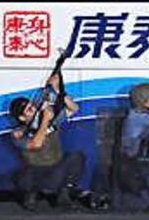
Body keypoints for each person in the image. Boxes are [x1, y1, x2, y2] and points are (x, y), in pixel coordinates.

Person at [9, 74, 89, 211]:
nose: (34, 108)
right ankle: (31, 195)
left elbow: (74, 108)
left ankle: (64, 194)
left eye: (32, 105)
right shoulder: (17, 133)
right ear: (22, 118)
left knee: (76, 157)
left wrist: (57, 91)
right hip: (36, 173)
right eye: (29, 109)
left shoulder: (50, 120)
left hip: (56, 169)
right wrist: (45, 121)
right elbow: (36, 144)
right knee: (22, 177)